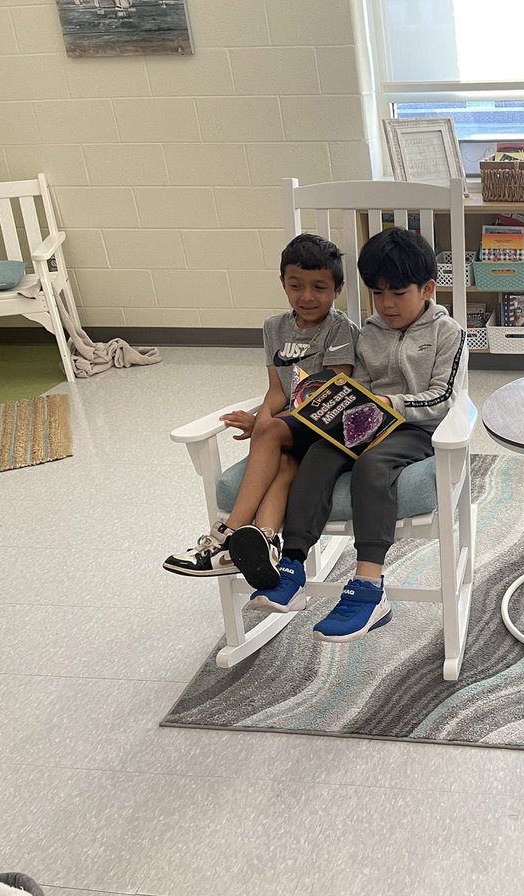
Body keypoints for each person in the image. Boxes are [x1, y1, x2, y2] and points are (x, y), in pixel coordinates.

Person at [237, 228, 468, 643]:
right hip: (363, 422)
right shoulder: (370, 332)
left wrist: (388, 406)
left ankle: (368, 587)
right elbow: (357, 383)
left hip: (415, 429)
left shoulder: (448, 333)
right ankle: (291, 567)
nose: (387, 304)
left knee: (374, 466)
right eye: (378, 293)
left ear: (428, 288)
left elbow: (444, 397)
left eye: (398, 293)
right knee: (320, 456)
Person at [162, 234, 357, 584]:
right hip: (290, 433)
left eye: (319, 287)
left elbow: (331, 394)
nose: (307, 297)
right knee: (283, 465)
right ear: (283, 283)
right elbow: (276, 389)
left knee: (272, 433)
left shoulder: (341, 328)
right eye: (296, 285)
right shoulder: (274, 327)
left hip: (326, 425)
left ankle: (226, 535)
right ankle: (264, 541)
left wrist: (267, 426)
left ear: (338, 289)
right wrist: (263, 420)